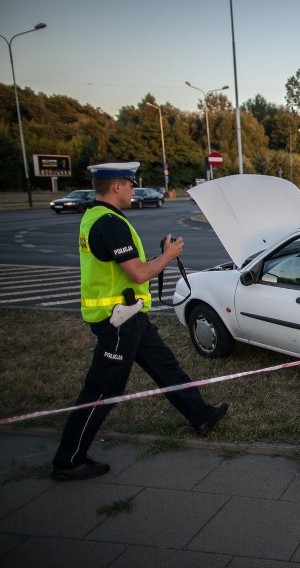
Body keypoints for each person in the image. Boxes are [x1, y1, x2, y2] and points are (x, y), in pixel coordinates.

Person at [52, 161, 228, 481]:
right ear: (116, 186)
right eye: (130, 184)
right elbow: (138, 272)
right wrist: (169, 255)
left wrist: (160, 255)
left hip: (131, 316)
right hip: (117, 321)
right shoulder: (110, 223)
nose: (134, 190)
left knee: (166, 366)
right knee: (103, 390)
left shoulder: (95, 216)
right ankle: (69, 460)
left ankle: (200, 415)